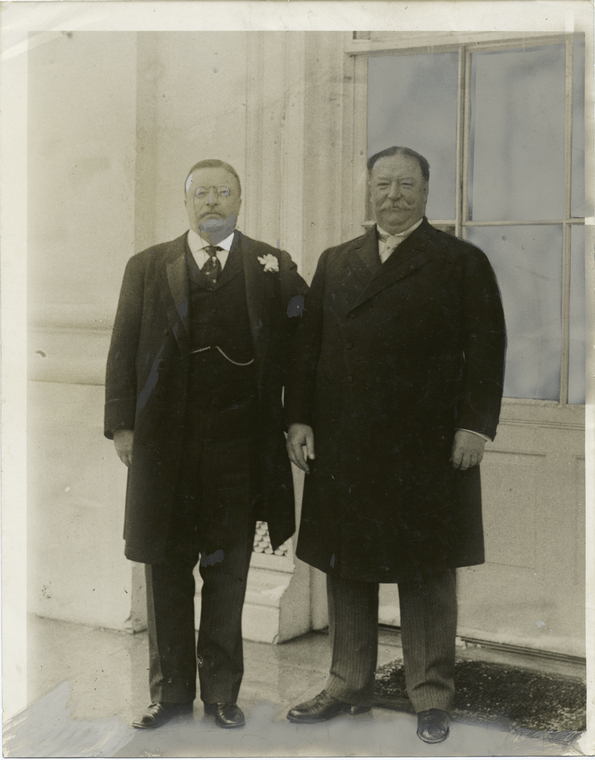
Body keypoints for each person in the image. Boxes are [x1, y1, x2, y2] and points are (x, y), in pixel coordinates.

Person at [284, 146, 506, 743]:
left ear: (427, 191)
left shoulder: (461, 261)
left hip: (427, 444)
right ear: (368, 190)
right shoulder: (336, 261)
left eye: (407, 185)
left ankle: (431, 696)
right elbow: (308, 348)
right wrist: (298, 419)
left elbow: (486, 352)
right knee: (346, 565)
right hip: (346, 441)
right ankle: (346, 683)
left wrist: (475, 425)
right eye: (383, 185)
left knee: (427, 568)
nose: (394, 196)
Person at [104, 159, 308, 730]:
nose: (212, 202)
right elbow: (122, 348)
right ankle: (169, 695)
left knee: (227, 569)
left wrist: (298, 417)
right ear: (186, 202)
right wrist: (122, 426)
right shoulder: (147, 267)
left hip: (239, 451)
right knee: (166, 566)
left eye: (224, 192)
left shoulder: (273, 266)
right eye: (202, 194)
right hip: (165, 449)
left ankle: (221, 692)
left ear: (240, 200)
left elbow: (302, 346)